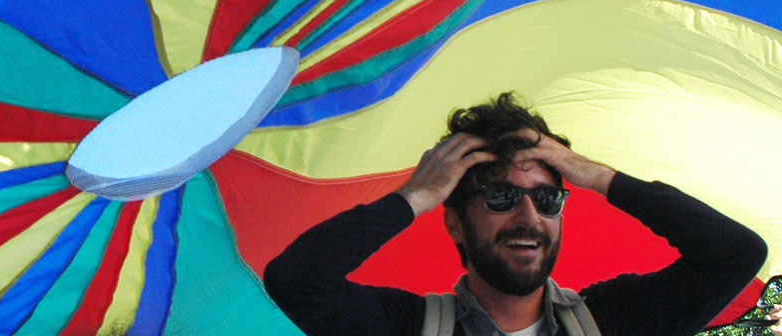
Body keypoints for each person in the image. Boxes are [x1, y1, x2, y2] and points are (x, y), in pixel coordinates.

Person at [263, 93, 776, 336]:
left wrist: (591, 174)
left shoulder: (613, 321)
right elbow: (296, 280)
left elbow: (735, 254)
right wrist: (416, 196)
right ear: (456, 222)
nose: (529, 215)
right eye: (502, 197)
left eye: (547, 198)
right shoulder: (411, 327)